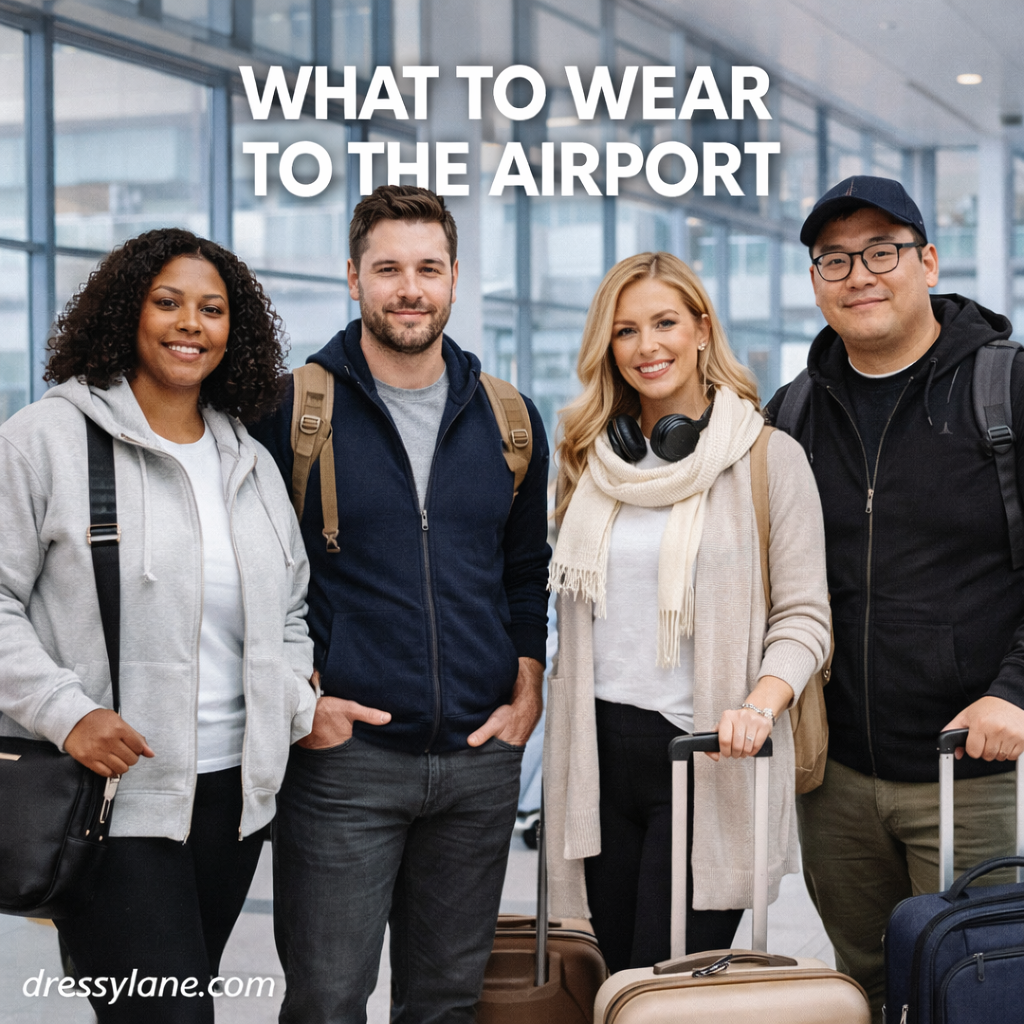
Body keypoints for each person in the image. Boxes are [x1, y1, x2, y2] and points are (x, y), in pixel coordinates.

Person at [250, 185, 551, 1023]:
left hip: (478, 764)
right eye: (388, 269)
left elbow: (527, 574)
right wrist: (303, 705)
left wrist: (527, 687)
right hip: (343, 764)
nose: (408, 288)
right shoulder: (289, 411)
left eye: (427, 268)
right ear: (353, 278)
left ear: (455, 278)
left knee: (447, 1002)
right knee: (328, 999)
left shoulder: (510, 419)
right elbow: (254, 579)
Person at [0, 228, 317, 1023]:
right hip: (113, 802)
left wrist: (289, 704)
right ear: (126, 314)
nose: (191, 324)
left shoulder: (247, 458)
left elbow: (290, 608)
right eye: (168, 302)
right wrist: (68, 714)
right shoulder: (48, 439)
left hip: (234, 802)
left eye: (212, 310)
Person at [764, 176, 1024, 1020]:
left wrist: (1015, 692)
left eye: (883, 251)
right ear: (814, 280)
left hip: (970, 768)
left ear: (928, 261)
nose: (859, 274)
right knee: (862, 992)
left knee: (978, 988)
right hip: (834, 777)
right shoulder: (796, 412)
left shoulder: (1006, 389)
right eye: (834, 259)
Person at [543, 251, 831, 972]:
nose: (648, 347)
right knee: (616, 982)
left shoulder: (769, 459)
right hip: (597, 759)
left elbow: (805, 617)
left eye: (665, 322)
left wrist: (762, 705)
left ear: (702, 329)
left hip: (705, 756)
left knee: (668, 986)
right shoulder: (589, 459)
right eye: (625, 331)